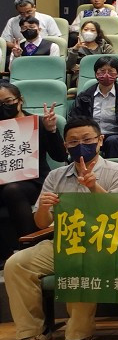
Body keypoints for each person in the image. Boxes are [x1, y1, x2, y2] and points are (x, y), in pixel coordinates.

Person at [0, 118, 118, 340]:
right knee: (16, 264)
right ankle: (33, 334)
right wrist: (44, 207)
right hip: (63, 240)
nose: (80, 145)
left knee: (77, 260)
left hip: (105, 244)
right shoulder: (56, 176)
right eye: (73, 141)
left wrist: (94, 188)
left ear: (100, 141)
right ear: (65, 145)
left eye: (87, 139)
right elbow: (42, 223)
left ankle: (78, 336)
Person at [0, 83, 66, 261]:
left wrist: (51, 130)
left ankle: (31, 248)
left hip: (34, 181)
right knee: (8, 189)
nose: (4, 107)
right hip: (3, 181)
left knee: (12, 190)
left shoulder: (38, 123)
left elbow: (60, 156)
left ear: (20, 100)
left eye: (8, 101)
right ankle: (4, 255)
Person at [68, 56, 118, 158]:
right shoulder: (84, 96)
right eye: (102, 71)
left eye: (111, 71)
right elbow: (73, 119)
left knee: (113, 141)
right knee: (85, 141)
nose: (106, 75)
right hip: (91, 135)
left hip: (117, 136)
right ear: (96, 74)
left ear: (117, 74)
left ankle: (112, 168)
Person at [66, 20, 115, 85]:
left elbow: (113, 64)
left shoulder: (106, 48)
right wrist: (75, 50)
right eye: (85, 29)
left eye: (92, 30)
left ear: (97, 33)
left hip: (104, 76)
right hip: (81, 77)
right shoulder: (74, 49)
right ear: (81, 32)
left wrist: (83, 67)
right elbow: (69, 66)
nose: (88, 32)